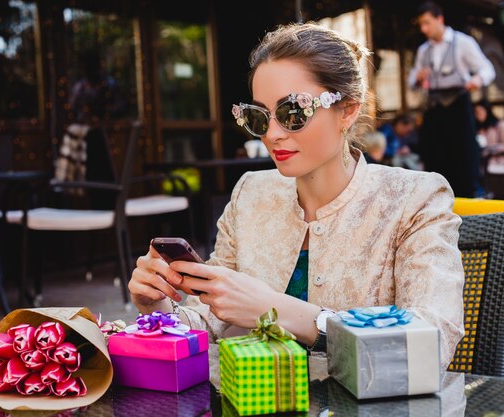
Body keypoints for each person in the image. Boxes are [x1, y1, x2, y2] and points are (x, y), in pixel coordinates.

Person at [128, 22, 464, 372]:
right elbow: (207, 318)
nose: (272, 135)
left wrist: (275, 310)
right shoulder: (250, 193)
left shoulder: (414, 199)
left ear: (347, 110)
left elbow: (433, 342)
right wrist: (158, 307)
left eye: (293, 112)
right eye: (259, 117)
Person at [409, 2, 495, 197]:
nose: (424, 29)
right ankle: (438, 200)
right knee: (435, 158)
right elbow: (412, 80)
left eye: (427, 23)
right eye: (421, 25)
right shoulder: (424, 50)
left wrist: (477, 79)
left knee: (463, 157)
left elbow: (487, 69)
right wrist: (418, 77)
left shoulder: (462, 42)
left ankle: (468, 199)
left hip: (458, 105)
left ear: (440, 19)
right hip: (435, 108)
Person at [474, 98, 504, 174]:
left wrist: (489, 149)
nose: (478, 115)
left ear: (487, 111)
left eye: (480, 111)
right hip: (480, 166)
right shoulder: (476, 128)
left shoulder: (499, 125)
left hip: (498, 163)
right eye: (476, 112)